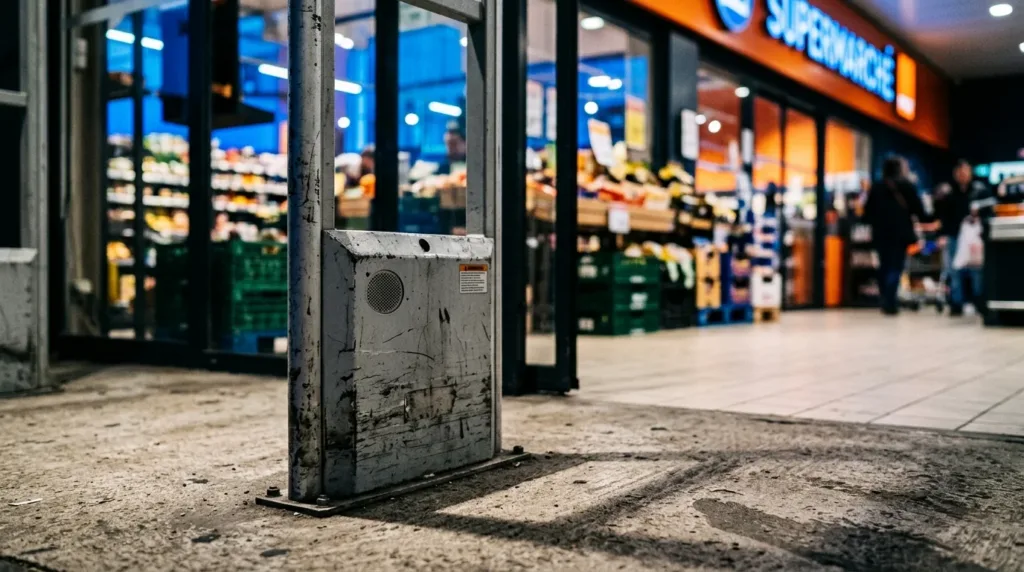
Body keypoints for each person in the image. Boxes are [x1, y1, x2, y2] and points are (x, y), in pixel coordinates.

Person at [863, 156, 925, 315]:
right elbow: (918, 209)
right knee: (895, 266)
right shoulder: (907, 186)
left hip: (880, 234)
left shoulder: (877, 186)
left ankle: (885, 296)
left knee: (884, 265)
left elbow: (867, 212)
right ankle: (890, 299)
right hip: (900, 233)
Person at [935, 160, 991, 316]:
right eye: (959, 172)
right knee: (954, 270)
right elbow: (944, 216)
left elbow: (989, 210)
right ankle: (956, 302)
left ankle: (979, 301)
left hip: (974, 237)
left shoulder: (980, 191)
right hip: (954, 236)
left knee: (976, 270)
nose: (962, 175)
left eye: (965, 172)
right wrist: (942, 235)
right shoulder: (950, 193)